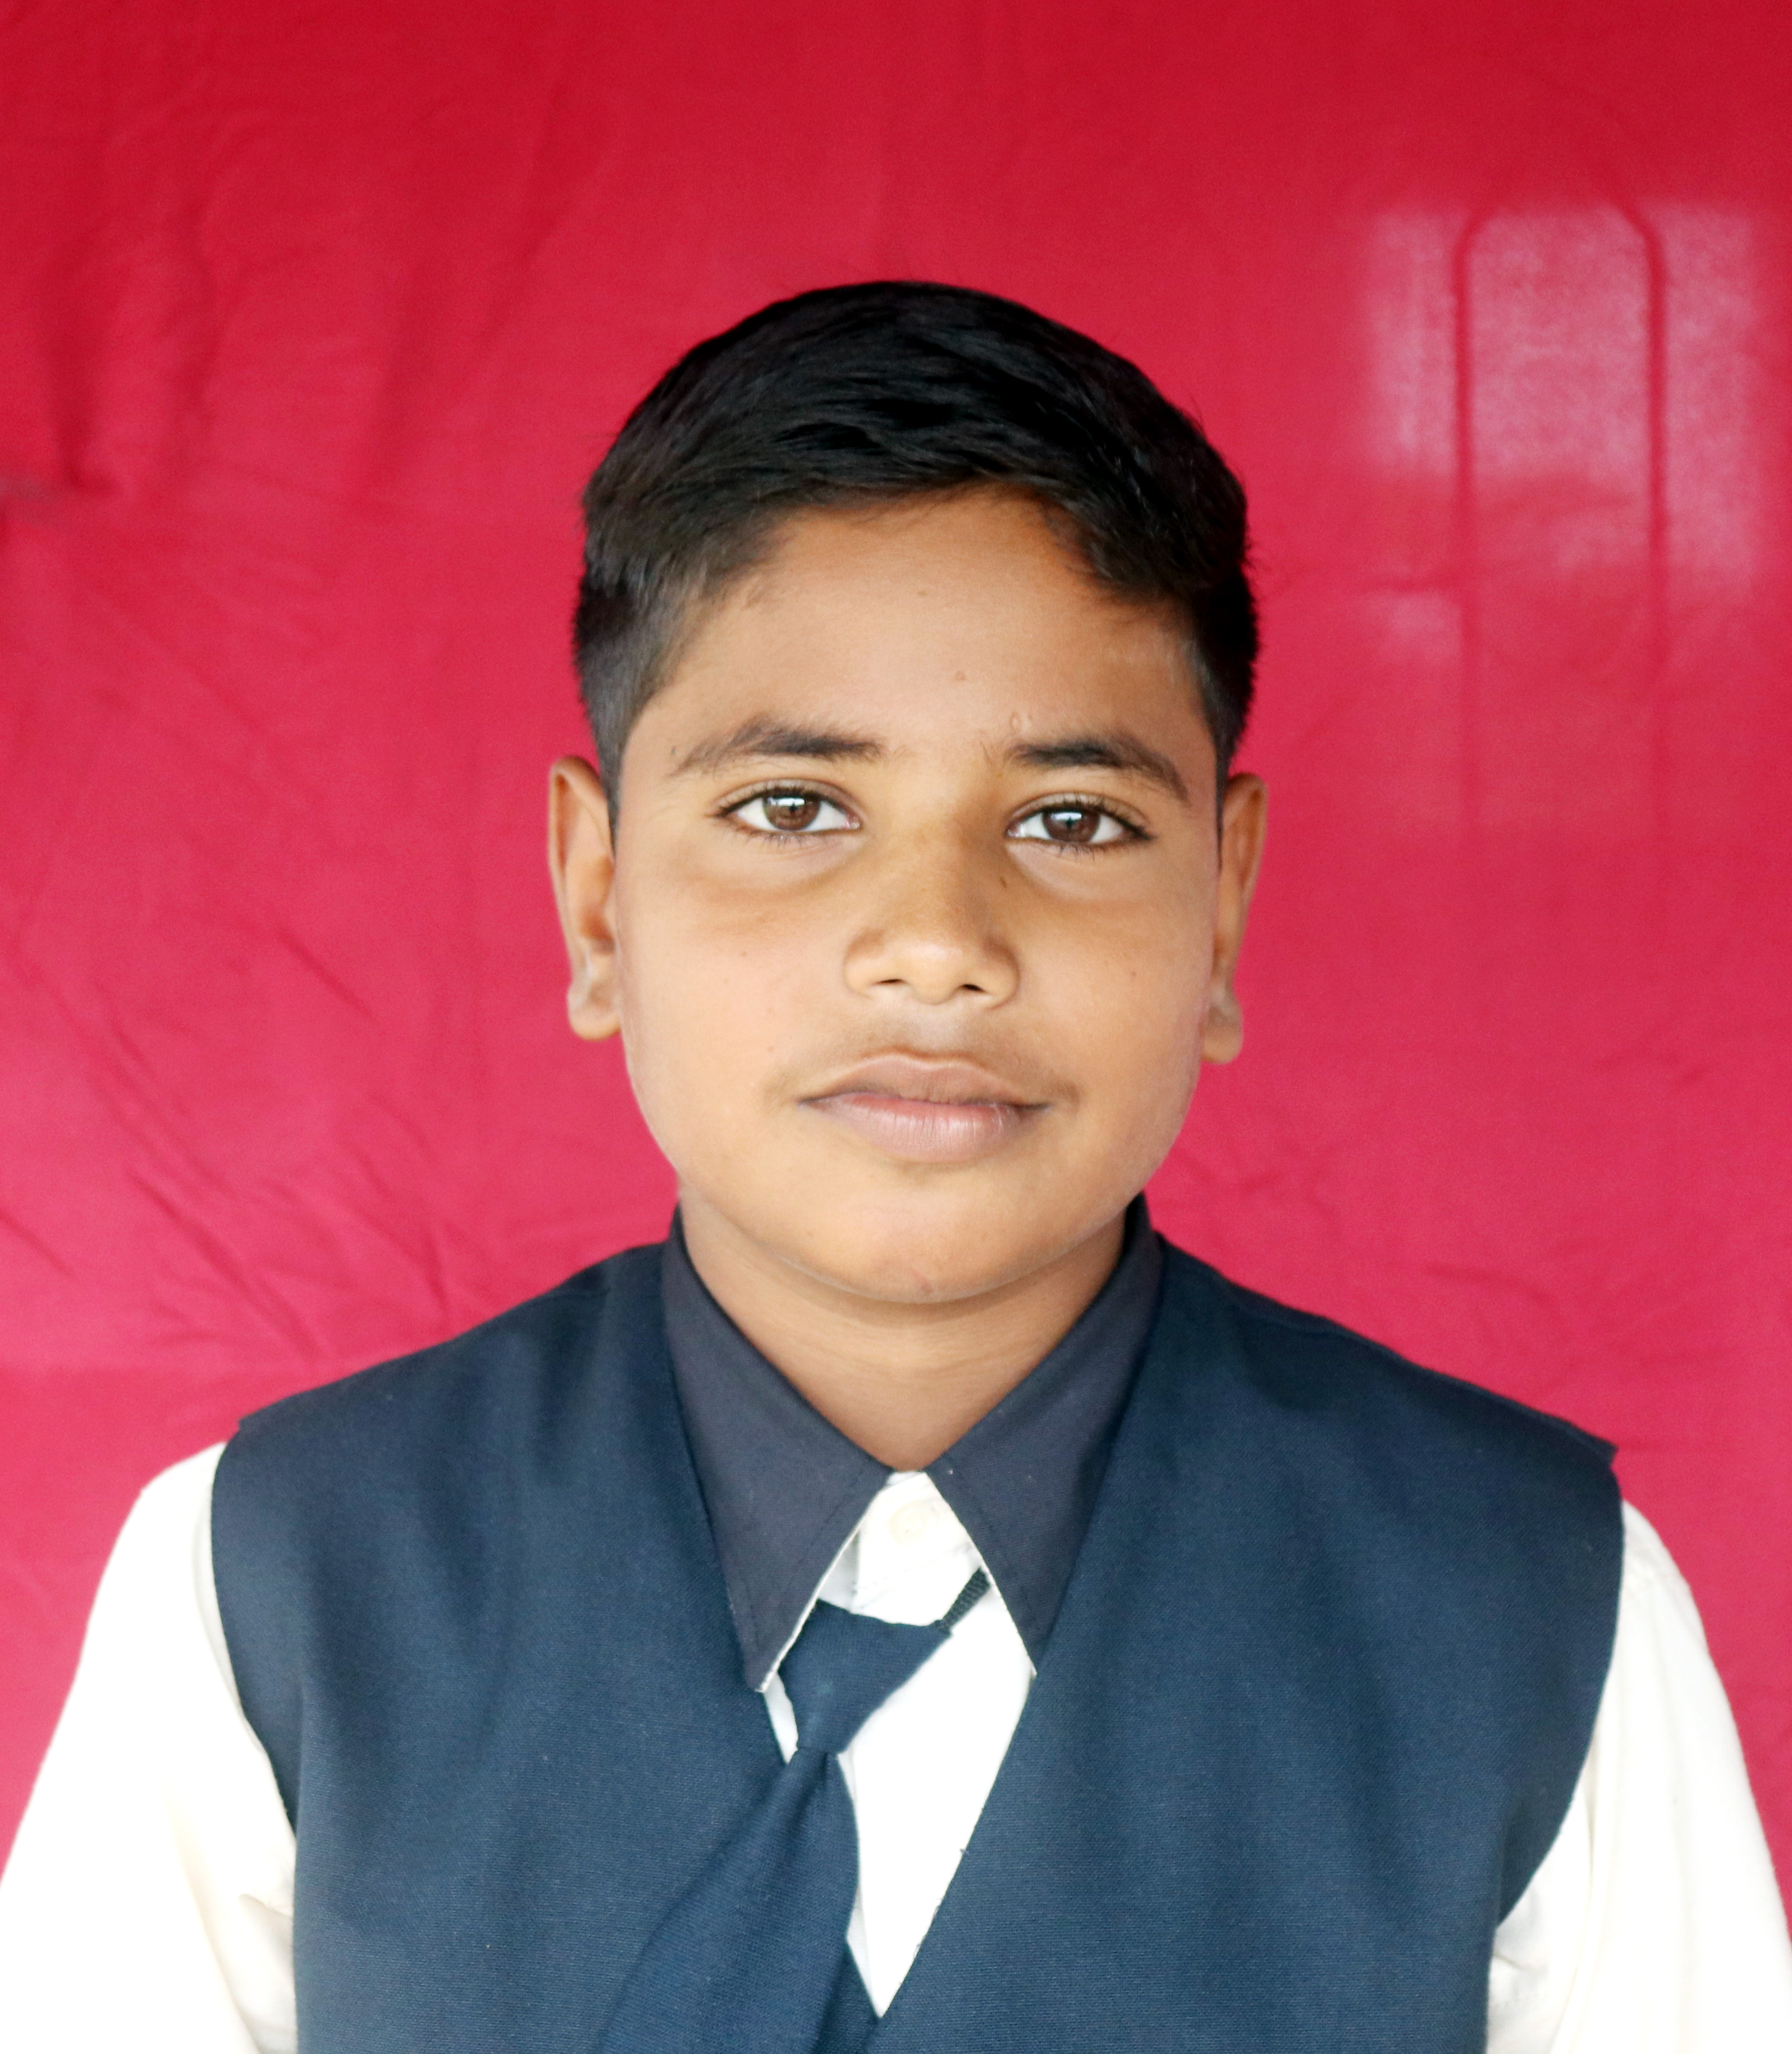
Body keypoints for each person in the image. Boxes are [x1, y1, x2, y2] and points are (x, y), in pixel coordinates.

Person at [1, 282, 1788, 2054]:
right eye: (793, 808)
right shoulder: (272, 1585)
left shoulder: (1532, 1608)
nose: (936, 944)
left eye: (1073, 819)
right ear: (599, 899)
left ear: (1224, 907)